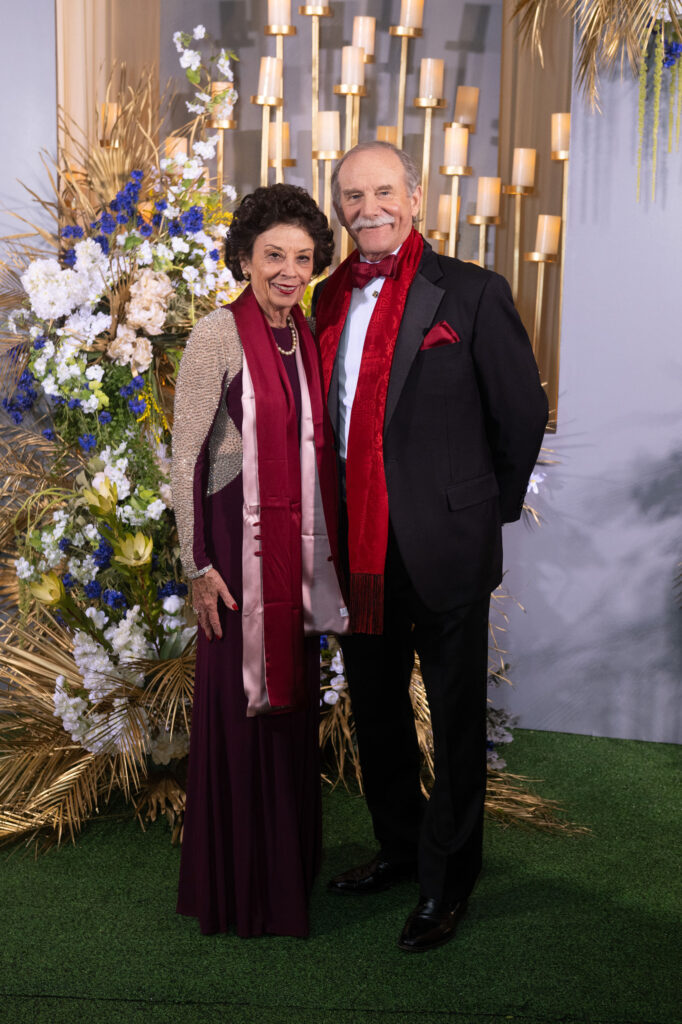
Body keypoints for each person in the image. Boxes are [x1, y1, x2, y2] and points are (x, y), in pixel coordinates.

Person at [312, 142, 548, 952]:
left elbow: (519, 417)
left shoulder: (473, 293)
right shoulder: (325, 300)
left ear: (414, 196)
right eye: (352, 195)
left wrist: (483, 515)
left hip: (445, 544)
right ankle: (398, 849)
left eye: (383, 190)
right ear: (338, 205)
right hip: (359, 551)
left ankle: (449, 881)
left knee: (452, 722)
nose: (368, 206)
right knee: (375, 714)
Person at [172, 183, 347, 937]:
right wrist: (195, 564)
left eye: (302, 257)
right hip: (234, 566)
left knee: (289, 715)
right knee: (242, 714)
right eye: (273, 254)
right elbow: (183, 459)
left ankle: (287, 873)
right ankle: (239, 889)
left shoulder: (302, 331)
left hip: (293, 561)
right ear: (244, 256)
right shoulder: (218, 333)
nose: (288, 270)